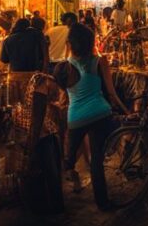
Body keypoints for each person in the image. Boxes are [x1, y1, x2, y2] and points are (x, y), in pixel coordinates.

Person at [59, 23, 126, 210]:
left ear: (70, 43)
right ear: (91, 42)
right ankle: (103, 203)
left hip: (75, 118)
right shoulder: (99, 61)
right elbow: (111, 93)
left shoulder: (65, 67)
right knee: (97, 161)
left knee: (68, 159)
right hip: (100, 114)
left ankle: (56, 195)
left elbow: (64, 95)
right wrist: (126, 111)